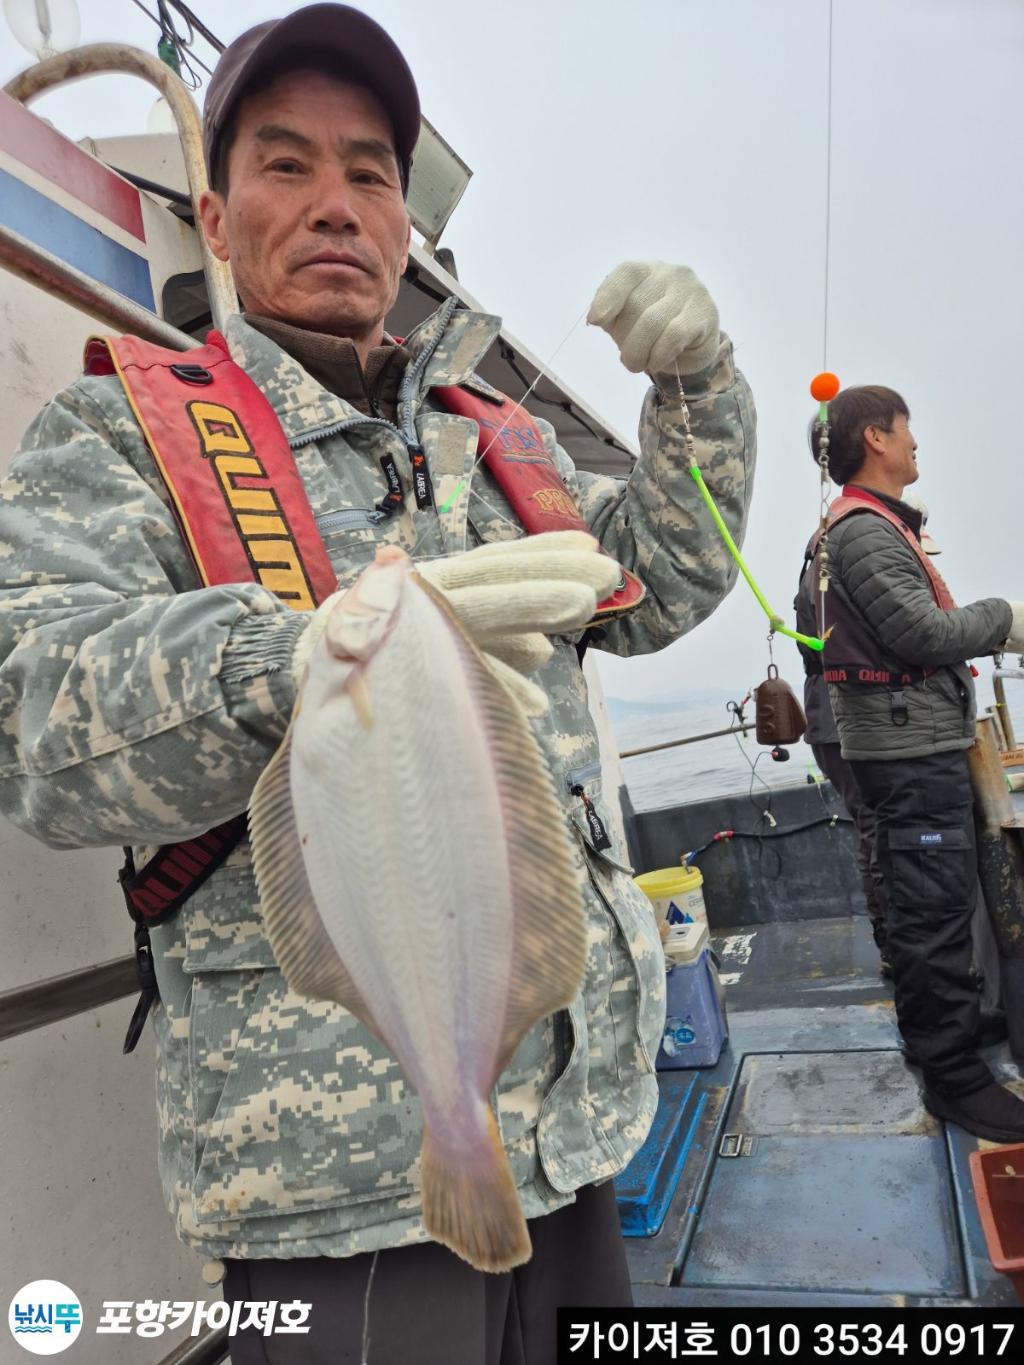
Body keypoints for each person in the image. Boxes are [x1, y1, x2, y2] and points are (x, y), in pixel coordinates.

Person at [0, 6, 756, 1361]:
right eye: (285, 165)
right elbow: (31, 716)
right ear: (215, 218)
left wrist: (699, 388)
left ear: (405, 225)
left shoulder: (493, 443)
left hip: (575, 1117)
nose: (336, 203)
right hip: (335, 1176)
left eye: (369, 172)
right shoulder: (121, 433)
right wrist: (286, 660)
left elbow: (659, 582)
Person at [805, 384, 1024, 1144]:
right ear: (876, 437)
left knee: (928, 908)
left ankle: (949, 1036)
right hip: (909, 758)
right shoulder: (864, 532)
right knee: (930, 918)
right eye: (906, 429)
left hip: (913, 750)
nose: (915, 442)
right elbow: (923, 634)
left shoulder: (871, 526)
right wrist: (1005, 617)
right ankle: (955, 1079)